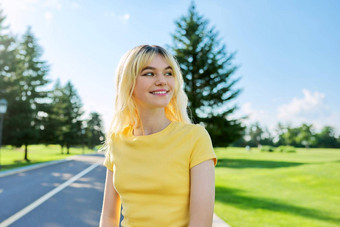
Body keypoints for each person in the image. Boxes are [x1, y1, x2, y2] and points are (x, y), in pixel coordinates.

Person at [99, 45, 217, 227]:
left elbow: (201, 224)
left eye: (168, 73)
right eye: (149, 73)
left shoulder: (195, 137)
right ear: (129, 83)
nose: (162, 80)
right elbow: (109, 218)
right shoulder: (116, 141)